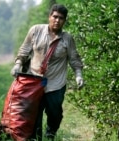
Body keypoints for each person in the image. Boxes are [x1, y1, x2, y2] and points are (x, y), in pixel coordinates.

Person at [10, 4, 84, 141]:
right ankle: (36, 138)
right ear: (49, 17)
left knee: (55, 113)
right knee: (34, 116)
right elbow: (24, 50)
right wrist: (17, 64)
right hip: (34, 82)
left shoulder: (67, 38)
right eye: (55, 17)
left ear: (65, 21)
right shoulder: (35, 30)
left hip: (55, 84)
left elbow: (74, 59)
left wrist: (79, 75)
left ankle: (51, 134)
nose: (57, 20)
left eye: (61, 18)